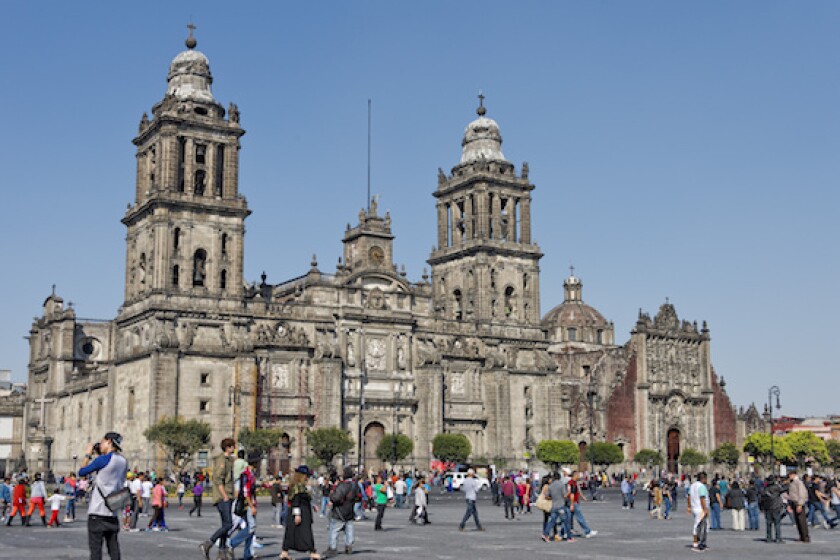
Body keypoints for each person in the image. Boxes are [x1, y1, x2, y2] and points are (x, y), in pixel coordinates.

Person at [78, 432, 128, 560]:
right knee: (114, 549)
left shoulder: (102, 460)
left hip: (97, 513)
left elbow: (82, 472)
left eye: (102, 442)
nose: (100, 445)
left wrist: (88, 454)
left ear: (109, 442)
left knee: (96, 551)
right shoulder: (123, 461)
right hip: (113, 511)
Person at [199, 437, 237, 560]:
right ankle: (208, 543)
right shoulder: (222, 460)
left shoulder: (229, 460)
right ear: (228, 447)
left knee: (225, 524)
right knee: (229, 524)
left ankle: (221, 552)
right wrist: (225, 496)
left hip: (227, 495)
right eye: (232, 446)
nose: (234, 448)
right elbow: (218, 479)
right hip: (222, 497)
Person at [280, 465, 320, 560]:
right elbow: (296, 500)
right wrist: (297, 514)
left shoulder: (297, 485)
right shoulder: (298, 486)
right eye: (307, 475)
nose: (308, 478)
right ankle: (312, 552)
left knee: (291, 533)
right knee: (306, 533)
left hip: (299, 511)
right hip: (301, 512)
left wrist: (312, 505)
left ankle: (284, 552)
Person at [326, 467, 361, 556]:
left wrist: (332, 494)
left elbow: (335, 498)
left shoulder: (343, 485)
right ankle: (348, 545)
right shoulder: (355, 485)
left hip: (340, 511)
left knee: (334, 530)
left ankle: (332, 548)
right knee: (349, 529)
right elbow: (358, 497)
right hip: (350, 510)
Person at [569, 471, 597, 537]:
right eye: (578, 475)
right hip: (573, 502)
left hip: (573, 502)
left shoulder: (574, 483)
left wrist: (582, 497)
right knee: (580, 517)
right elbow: (572, 494)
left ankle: (566, 532)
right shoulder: (572, 483)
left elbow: (578, 491)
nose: (579, 476)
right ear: (575, 475)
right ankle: (588, 531)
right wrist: (572, 504)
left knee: (568, 518)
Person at [759, 475, 785, 543]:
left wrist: (761, 507)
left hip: (767, 507)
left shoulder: (764, 489)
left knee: (768, 524)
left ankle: (768, 538)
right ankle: (778, 538)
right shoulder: (777, 487)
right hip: (776, 507)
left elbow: (761, 498)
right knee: (777, 524)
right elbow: (784, 489)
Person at [688, 472, 710, 553]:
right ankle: (697, 544)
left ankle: (701, 543)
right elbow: (702, 498)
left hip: (695, 507)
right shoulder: (701, 486)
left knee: (700, 525)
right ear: (703, 478)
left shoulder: (692, 485)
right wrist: (705, 509)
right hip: (700, 508)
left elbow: (689, 496)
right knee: (700, 526)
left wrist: (689, 506)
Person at [787, 469, 810, 543]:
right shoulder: (792, 482)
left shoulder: (798, 482)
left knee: (801, 520)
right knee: (797, 520)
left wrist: (800, 504)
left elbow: (802, 493)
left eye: (789, 475)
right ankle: (801, 536)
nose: (789, 477)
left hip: (798, 503)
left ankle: (805, 536)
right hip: (793, 502)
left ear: (793, 475)